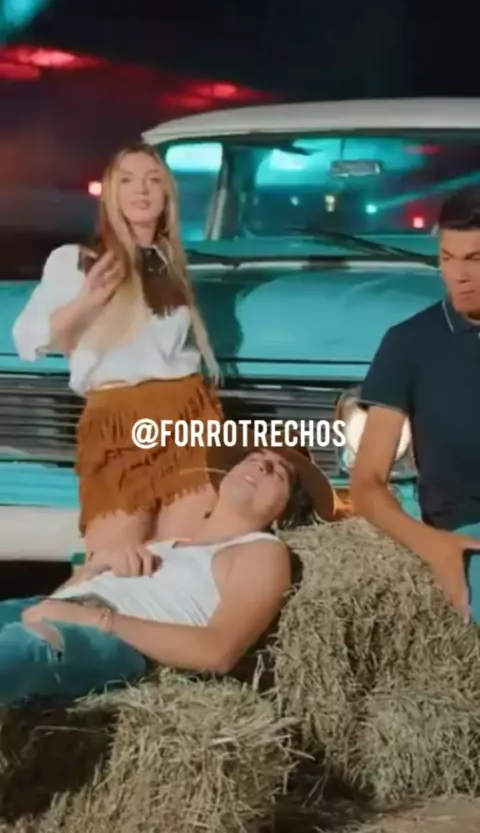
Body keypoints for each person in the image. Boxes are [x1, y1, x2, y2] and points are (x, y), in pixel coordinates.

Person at [0, 442, 334, 707]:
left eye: (279, 473)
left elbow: (218, 651)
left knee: (28, 646)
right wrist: (93, 567)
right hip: (49, 610)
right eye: (255, 457)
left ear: (286, 510)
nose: (262, 466)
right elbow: (55, 603)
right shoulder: (166, 545)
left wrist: (96, 619)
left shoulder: (261, 552)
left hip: (103, 640)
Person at [12, 143, 223, 561]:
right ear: (111, 192)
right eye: (127, 180)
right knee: (114, 561)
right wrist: (86, 302)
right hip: (119, 419)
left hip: (187, 413)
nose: (141, 190)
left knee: (182, 558)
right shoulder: (80, 259)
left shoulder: (170, 261)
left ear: (167, 195)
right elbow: (28, 340)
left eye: (152, 180)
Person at [351, 186, 480, 623]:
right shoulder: (410, 343)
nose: (458, 275)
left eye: (475, 259)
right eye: (448, 258)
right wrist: (431, 544)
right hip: (468, 533)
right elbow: (366, 483)